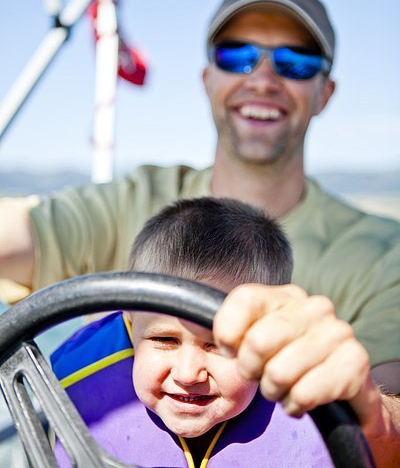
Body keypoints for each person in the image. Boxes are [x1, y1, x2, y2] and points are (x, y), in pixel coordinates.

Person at [0, 0, 399, 389]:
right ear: (208, 80)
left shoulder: (386, 256)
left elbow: (389, 421)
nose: (262, 80)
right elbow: (13, 232)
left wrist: (361, 404)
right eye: (237, 56)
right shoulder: (136, 198)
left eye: (294, 62)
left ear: (325, 94)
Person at [51, 198, 387, 467]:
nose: (187, 373)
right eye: (164, 340)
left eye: (218, 345)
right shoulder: (77, 375)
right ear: (129, 325)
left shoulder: (310, 409)